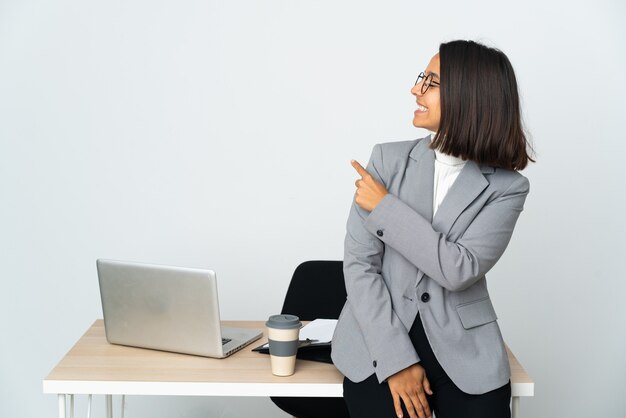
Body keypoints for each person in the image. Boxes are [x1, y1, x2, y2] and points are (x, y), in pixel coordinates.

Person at [331, 39, 534, 418]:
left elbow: (459, 269)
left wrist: (385, 208)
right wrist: (395, 361)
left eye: (432, 82)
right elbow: (360, 266)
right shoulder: (386, 161)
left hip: (466, 351)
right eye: (420, 78)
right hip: (379, 340)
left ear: (469, 96)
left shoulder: (508, 187)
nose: (415, 89)